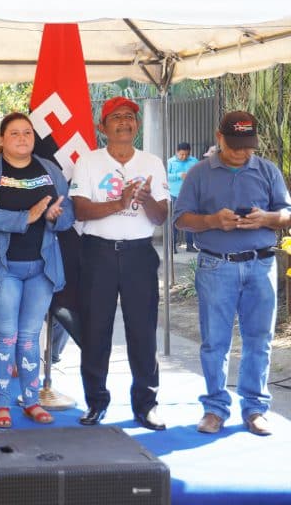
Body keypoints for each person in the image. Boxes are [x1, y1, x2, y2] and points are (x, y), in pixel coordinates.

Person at [174, 111, 291, 436]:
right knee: (215, 342)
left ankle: (255, 409)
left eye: (248, 145)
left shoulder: (267, 170)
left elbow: (287, 213)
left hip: (261, 265)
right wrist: (212, 221)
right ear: (219, 137)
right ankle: (215, 409)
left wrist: (267, 218)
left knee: (259, 340)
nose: (242, 152)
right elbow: (181, 218)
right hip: (216, 265)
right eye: (235, 145)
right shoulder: (199, 173)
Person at [0, 112, 74, 428]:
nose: (22, 138)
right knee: (5, 335)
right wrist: (25, 217)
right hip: (3, 267)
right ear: (1, 139)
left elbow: (68, 214)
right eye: (14, 133)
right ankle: (1, 405)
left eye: (27, 132)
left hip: (42, 268)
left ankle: (31, 401)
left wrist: (54, 217)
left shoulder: (49, 169)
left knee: (29, 336)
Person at [69, 96, 169, 431]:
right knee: (96, 330)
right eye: (116, 117)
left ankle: (146, 404)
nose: (124, 122)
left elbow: (160, 216)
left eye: (129, 116)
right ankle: (96, 402)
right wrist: (120, 202)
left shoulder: (152, 162)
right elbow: (80, 210)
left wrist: (146, 199)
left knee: (143, 331)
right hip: (97, 253)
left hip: (139, 254)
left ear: (136, 125)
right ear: (102, 126)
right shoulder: (88, 161)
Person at [167, 142, 199, 252]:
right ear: (177, 152)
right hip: (174, 195)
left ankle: (190, 245)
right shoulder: (170, 162)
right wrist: (178, 175)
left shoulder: (194, 161)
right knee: (174, 220)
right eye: (181, 154)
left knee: (190, 220)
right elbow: (165, 175)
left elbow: (200, 175)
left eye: (186, 154)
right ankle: (172, 246)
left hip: (190, 195)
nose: (184, 157)